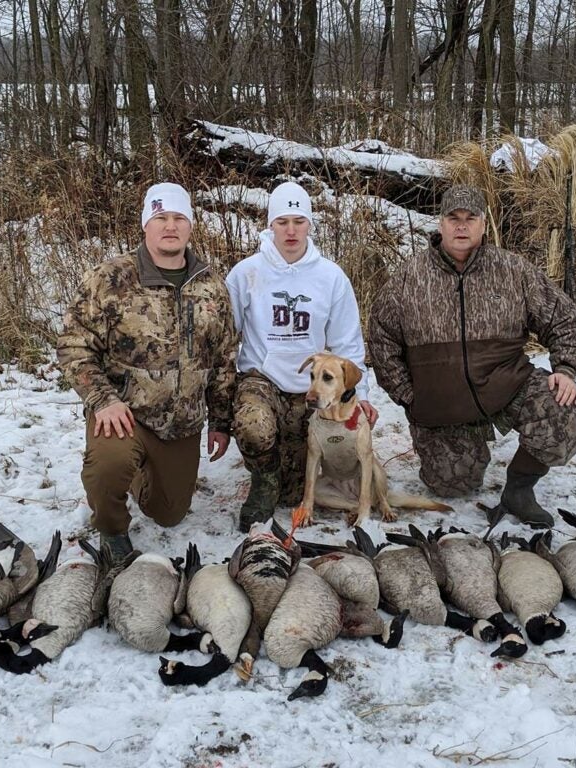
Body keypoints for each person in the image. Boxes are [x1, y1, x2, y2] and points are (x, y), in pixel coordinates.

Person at [368, 185, 576, 528]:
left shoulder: (513, 270)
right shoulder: (409, 278)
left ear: (484, 224)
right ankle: (463, 451)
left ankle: (519, 489)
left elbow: (563, 318)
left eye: (471, 218)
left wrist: (566, 368)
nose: (461, 226)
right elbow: (381, 340)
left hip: (507, 385)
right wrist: (408, 395)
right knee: (452, 484)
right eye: (453, 218)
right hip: (443, 405)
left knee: (561, 410)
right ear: (440, 224)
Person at [57, 182, 237, 559]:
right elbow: (74, 346)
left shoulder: (212, 286)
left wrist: (220, 421)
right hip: (125, 414)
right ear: (145, 224)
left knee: (169, 513)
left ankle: (141, 472)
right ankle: (111, 529)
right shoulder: (110, 279)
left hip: (181, 423)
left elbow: (223, 358)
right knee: (108, 467)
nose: (170, 226)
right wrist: (103, 401)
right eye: (160, 217)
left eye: (178, 217)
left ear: (190, 225)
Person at [226, 181, 377, 532]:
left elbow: (347, 344)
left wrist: (362, 394)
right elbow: (224, 337)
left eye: (299, 221)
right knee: (253, 426)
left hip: (310, 391)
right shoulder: (246, 273)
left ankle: (283, 475)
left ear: (310, 224)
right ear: (270, 225)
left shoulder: (331, 277)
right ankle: (263, 481)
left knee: (293, 493)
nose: (291, 230)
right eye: (282, 222)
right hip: (261, 381)